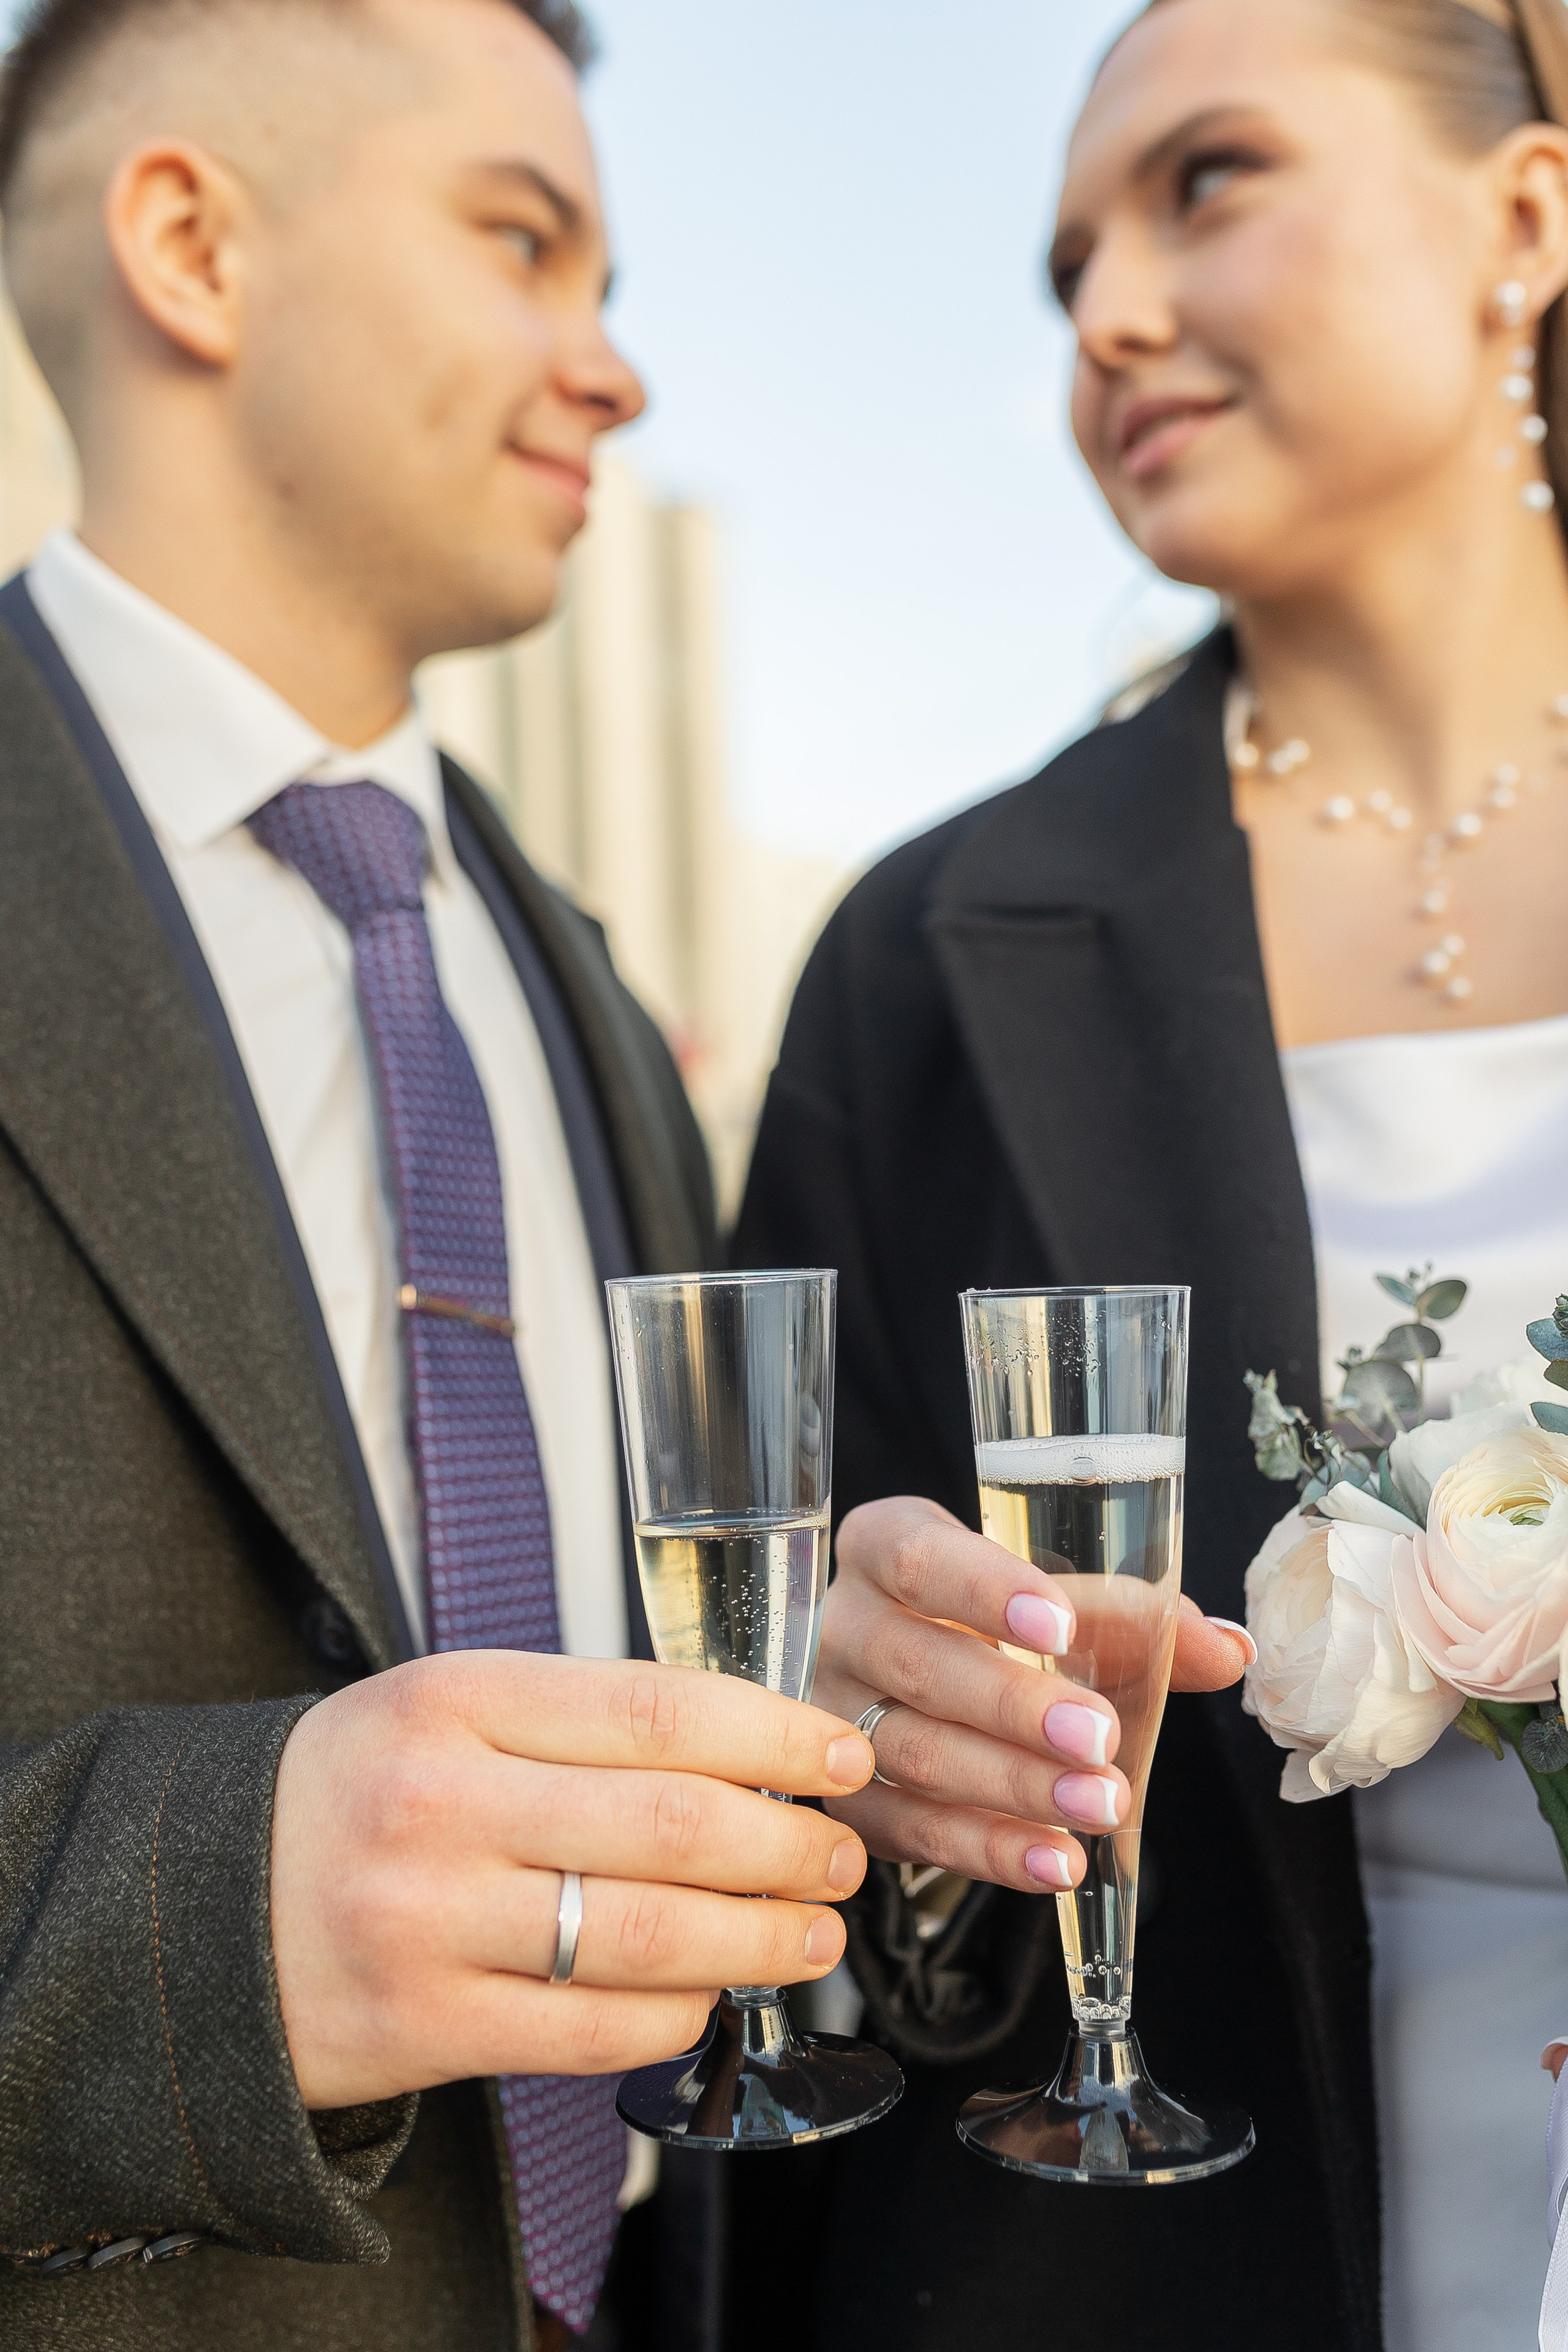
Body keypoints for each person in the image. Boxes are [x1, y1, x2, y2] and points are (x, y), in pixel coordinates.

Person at [0, 0, 1243, 2343]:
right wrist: (203, 1929)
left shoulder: (578, 993)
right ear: (187, 239)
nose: (617, 373)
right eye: (525, 243)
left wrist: (871, 1776)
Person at [736, 2, 1568, 2348]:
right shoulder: (925, 958)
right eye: (1068, 259)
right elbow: (795, 1815)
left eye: (1207, 182)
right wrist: (869, 1743)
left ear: (1526, 222)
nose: (1105, 312)